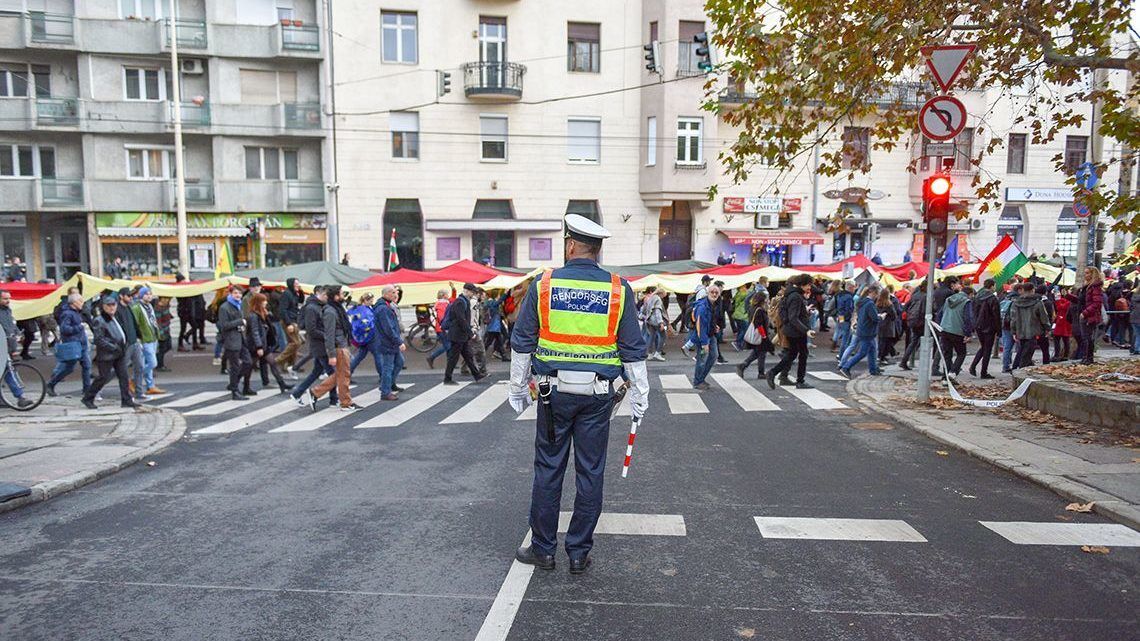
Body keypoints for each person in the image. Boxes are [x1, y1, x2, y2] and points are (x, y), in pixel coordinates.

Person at [507, 214, 648, 575]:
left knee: (549, 469)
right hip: (598, 397)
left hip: (554, 396)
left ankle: (543, 549)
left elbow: (522, 342)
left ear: (570, 245)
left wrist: (517, 388)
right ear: (598, 250)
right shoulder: (618, 289)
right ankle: (578, 552)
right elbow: (632, 348)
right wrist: (640, 395)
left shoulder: (544, 284)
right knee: (590, 472)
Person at [307, 285, 360, 411]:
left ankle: (315, 392)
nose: (344, 296)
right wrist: (331, 354)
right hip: (338, 346)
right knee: (344, 375)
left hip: (342, 344)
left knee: (341, 374)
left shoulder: (337, 309)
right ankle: (346, 403)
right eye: (342, 294)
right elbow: (329, 334)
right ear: (336, 296)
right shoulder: (330, 311)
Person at [81, 294, 137, 410]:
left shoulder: (114, 317)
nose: (112, 307)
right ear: (103, 307)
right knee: (103, 377)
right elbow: (99, 339)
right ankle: (88, 397)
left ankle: (126, 400)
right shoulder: (99, 320)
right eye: (109, 305)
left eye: (113, 305)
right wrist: (113, 347)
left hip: (119, 352)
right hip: (107, 355)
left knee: (124, 376)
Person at [289, 286, 337, 407]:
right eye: (326, 295)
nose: (327, 298)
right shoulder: (312, 308)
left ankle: (297, 393)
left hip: (320, 344)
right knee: (333, 374)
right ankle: (333, 399)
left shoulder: (316, 306)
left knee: (317, 372)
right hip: (319, 345)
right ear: (319, 294)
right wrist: (327, 335)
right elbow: (312, 329)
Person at [767, 274, 815, 389]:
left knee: (792, 355)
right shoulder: (796, 296)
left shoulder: (790, 294)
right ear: (802, 285)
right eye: (809, 285)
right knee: (802, 354)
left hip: (791, 330)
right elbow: (793, 317)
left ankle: (773, 373)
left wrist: (805, 311)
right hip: (797, 331)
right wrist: (806, 330)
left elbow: (788, 314)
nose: (810, 288)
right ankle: (800, 381)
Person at [47, 292, 92, 397]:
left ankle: (87, 390)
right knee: (69, 368)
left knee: (86, 366)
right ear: (74, 302)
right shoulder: (67, 313)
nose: (82, 303)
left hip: (81, 343)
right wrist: (79, 327)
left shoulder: (76, 312)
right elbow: (64, 329)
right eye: (80, 301)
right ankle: (51, 384)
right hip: (73, 344)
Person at [243, 292, 288, 395]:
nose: (266, 303)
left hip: (264, 344)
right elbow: (255, 332)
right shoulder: (253, 316)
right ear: (258, 303)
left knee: (272, 363)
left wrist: (267, 315)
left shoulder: (263, 313)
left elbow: (268, 326)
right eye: (263, 301)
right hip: (256, 346)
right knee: (248, 366)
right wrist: (259, 346)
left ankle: (282, 383)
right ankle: (242, 385)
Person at [442, 283, 485, 385]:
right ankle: (447, 378)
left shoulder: (463, 301)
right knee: (454, 357)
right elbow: (461, 319)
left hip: (460, 335)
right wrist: (470, 333)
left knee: (468, 355)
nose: (473, 294)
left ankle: (477, 375)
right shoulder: (460, 302)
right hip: (458, 335)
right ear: (467, 291)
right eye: (472, 292)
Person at [217, 284, 252, 401]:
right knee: (235, 366)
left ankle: (234, 384)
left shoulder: (239, 305)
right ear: (230, 294)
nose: (238, 295)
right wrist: (240, 322)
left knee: (248, 362)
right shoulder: (224, 307)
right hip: (231, 340)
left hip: (241, 339)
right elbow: (224, 325)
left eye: (240, 294)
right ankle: (234, 391)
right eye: (236, 293)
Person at [839, 284, 882, 377]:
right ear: (873, 293)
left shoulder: (862, 302)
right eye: (877, 294)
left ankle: (873, 369)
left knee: (872, 350)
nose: (877, 296)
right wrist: (881, 317)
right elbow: (874, 318)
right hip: (868, 331)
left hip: (863, 329)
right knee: (863, 352)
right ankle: (846, 367)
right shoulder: (870, 304)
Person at [1010, 282, 1052, 369]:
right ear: (1033, 290)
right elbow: (1044, 318)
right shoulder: (1038, 303)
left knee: (1023, 351)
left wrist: (1014, 331)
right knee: (1027, 355)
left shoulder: (1015, 303)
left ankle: (1016, 368)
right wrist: (1047, 328)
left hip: (1020, 331)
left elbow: (1013, 319)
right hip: (1033, 332)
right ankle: (1020, 371)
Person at [374, 285, 406, 401]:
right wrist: (398, 341)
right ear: (386, 294)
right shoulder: (383, 308)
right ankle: (385, 391)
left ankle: (387, 385)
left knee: (399, 362)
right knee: (388, 366)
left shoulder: (385, 306)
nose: (395, 294)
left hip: (388, 341)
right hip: (387, 342)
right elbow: (388, 328)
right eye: (393, 292)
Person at [130, 287, 163, 395]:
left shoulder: (149, 306)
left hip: (152, 336)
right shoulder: (137, 307)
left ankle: (150, 385)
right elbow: (135, 324)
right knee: (153, 363)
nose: (149, 296)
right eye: (146, 294)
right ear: (141, 295)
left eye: (150, 294)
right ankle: (134, 380)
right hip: (145, 338)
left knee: (146, 362)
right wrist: (138, 338)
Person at [114, 287, 144, 400]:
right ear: (121, 296)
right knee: (120, 369)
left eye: (131, 296)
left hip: (134, 341)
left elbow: (133, 323)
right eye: (128, 296)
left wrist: (138, 336)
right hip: (125, 344)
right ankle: (98, 390)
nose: (131, 298)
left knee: (140, 367)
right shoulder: (117, 309)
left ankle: (139, 392)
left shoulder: (129, 308)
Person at [935, 280, 970, 378]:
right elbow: (968, 318)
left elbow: (940, 314)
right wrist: (968, 333)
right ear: (970, 294)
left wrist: (940, 326)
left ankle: (946, 377)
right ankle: (953, 372)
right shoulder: (966, 301)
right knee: (961, 353)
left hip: (945, 329)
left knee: (947, 354)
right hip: (958, 330)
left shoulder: (948, 300)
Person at [969, 279, 1002, 379]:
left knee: (983, 347)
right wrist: (999, 329)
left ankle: (973, 366)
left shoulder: (977, 297)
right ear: (992, 286)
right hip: (989, 326)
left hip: (979, 325)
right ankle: (983, 372)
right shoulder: (993, 298)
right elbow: (996, 315)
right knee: (987, 349)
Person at [690, 284, 720, 390]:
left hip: (710, 335)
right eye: (712, 292)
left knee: (713, 356)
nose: (714, 294)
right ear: (707, 293)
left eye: (716, 292)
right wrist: (704, 343)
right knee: (702, 359)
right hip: (704, 337)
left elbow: (708, 320)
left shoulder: (712, 304)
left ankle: (701, 379)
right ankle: (698, 381)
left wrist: (714, 326)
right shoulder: (702, 306)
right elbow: (700, 326)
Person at [737, 289, 772, 378]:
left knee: (757, 353)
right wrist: (764, 336)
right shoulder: (760, 310)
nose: (767, 300)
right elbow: (759, 324)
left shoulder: (753, 308)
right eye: (766, 299)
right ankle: (760, 372)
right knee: (761, 354)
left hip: (758, 334)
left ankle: (744, 365)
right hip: (760, 335)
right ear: (762, 300)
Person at [276, 277, 305, 375]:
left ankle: (291, 366)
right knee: (296, 343)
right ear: (291, 284)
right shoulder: (286, 294)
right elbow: (283, 310)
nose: (298, 285)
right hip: (288, 321)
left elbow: (300, 301)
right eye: (296, 283)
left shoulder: (293, 293)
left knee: (294, 343)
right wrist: (288, 324)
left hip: (293, 320)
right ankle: (278, 361)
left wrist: (300, 291)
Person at [1076, 267, 1104, 364]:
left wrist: (1085, 313)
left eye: (1087, 273)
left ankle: (1087, 358)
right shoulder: (1087, 286)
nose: (1085, 275)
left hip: (1089, 315)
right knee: (1086, 337)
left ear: (1093, 274)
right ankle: (1086, 358)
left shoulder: (1094, 287)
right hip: (1085, 314)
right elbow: (1082, 301)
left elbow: (1097, 303)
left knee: (1086, 337)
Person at [426, 289, 451, 369]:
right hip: (442, 328)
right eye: (447, 294)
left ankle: (450, 362)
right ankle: (432, 357)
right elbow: (442, 317)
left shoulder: (438, 303)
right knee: (448, 346)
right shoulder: (442, 304)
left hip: (439, 327)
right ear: (444, 295)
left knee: (447, 345)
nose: (448, 295)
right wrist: (446, 326)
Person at [642, 286, 667, 361]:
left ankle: (649, 354)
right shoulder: (657, 299)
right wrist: (661, 322)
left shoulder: (651, 298)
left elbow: (644, 309)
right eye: (663, 295)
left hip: (649, 320)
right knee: (663, 336)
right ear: (661, 294)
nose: (663, 297)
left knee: (651, 337)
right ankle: (658, 353)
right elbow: (657, 311)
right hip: (656, 321)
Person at [483, 291, 509, 361]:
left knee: (499, 341)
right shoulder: (491, 302)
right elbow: (499, 301)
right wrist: (505, 293)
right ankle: (480, 355)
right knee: (488, 342)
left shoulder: (488, 302)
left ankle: (504, 356)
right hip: (494, 326)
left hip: (494, 326)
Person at [1052, 287, 1072, 361]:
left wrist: (1057, 300)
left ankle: (1063, 355)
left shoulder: (1069, 302)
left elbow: (1060, 307)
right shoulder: (1065, 300)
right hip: (1061, 321)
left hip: (1064, 321)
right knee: (1061, 338)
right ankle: (1060, 355)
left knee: (1064, 339)